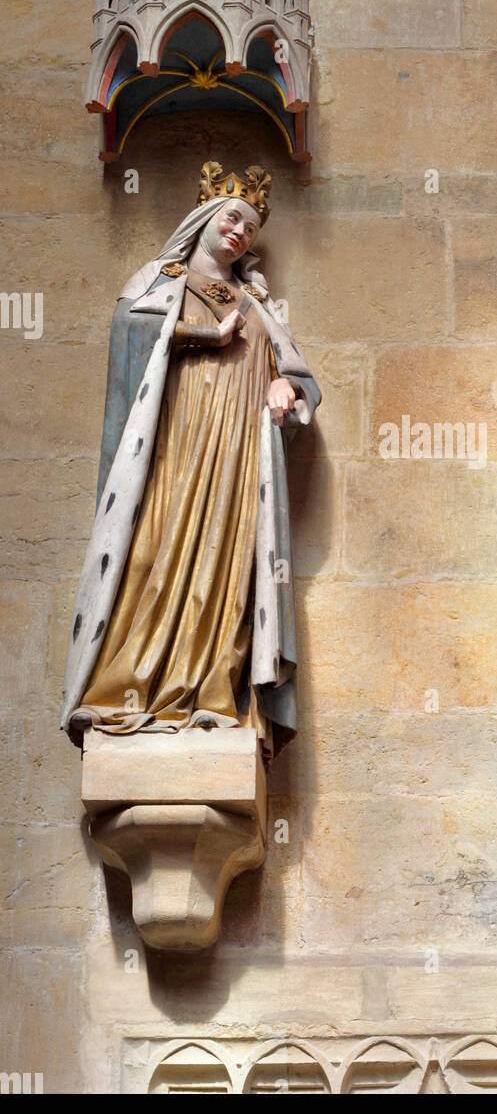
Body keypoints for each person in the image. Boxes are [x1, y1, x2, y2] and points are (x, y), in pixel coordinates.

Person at [60, 162, 321, 758]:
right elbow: (129, 334)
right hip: (176, 445)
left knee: (229, 568)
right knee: (158, 549)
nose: (240, 233)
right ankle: (133, 689)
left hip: (238, 457)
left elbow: (297, 372)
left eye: (251, 228)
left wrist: (286, 388)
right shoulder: (162, 279)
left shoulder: (257, 300)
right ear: (204, 219)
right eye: (232, 218)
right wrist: (204, 337)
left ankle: (213, 696)